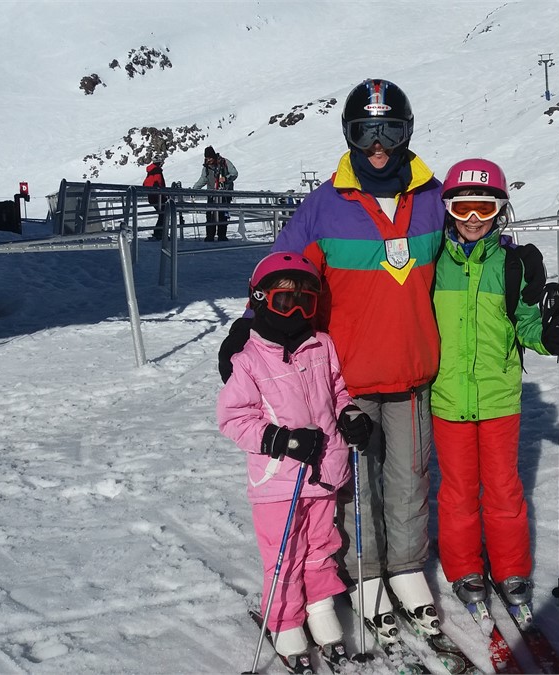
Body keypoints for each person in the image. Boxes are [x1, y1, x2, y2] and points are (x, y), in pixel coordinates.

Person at [220, 78, 445, 643]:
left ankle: (408, 568)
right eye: (365, 131)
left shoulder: (434, 198)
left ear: (406, 132)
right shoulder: (324, 205)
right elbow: (283, 272)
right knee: (351, 484)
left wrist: (516, 267)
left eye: (389, 129)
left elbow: (475, 242)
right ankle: (365, 573)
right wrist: (246, 324)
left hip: (412, 370)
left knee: (410, 479)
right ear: (349, 135)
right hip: (345, 377)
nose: (377, 145)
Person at [430, 158, 559, 613]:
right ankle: (463, 566)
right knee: (456, 491)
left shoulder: (514, 265)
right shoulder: (431, 261)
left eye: (484, 209)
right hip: (447, 397)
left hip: (498, 399)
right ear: (448, 209)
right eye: (463, 209)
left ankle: (510, 565)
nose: (473, 220)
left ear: (501, 211)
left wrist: (549, 338)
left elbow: (526, 325)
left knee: (503, 487)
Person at [216, 252, 374, 671]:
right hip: (278, 481)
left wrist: (350, 415)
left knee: (322, 548)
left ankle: (321, 612)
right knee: (284, 554)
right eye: (287, 302)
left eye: (309, 300)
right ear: (261, 299)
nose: (299, 311)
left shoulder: (322, 345)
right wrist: (281, 440)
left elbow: (338, 390)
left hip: (324, 472)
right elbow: (233, 418)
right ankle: (285, 622)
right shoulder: (248, 358)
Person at [193, 145, 238, 241]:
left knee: (223, 215)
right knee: (210, 215)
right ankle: (210, 235)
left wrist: (226, 178)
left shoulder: (225, 162)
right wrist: (194, 189)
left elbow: (234, 173)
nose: (208, 160)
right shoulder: (206, 167)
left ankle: (222, 235)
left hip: (224, 194)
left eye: (209, 158)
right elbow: (203, 179)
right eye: (206, 158)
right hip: (212, 194)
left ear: (213, 156)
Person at [143, 159, 168, 240]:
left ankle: (159, 232)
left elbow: (145, 184)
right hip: (158, 197)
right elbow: (159, 183)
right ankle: (159, 233)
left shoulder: (150, 171)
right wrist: (163, 194)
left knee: (162, 214)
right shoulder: (157, 171)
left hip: (152, 197)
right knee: (164, 214)